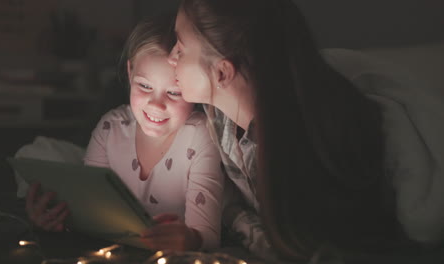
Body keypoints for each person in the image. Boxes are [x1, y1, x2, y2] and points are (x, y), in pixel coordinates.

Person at [167, 0, 409, 261]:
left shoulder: (306, 150)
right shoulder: (219, 119)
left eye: (180, 49)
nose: (170, 57)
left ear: (222, 73)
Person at [25, 14, 224, 251]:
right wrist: (54, 219)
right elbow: (89, 211)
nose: (156, 105)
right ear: (130, 73)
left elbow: (208, 236)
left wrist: (192, 239)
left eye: (174, 93)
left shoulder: (201, 137)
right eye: (145, 86)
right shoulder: (111, 128)